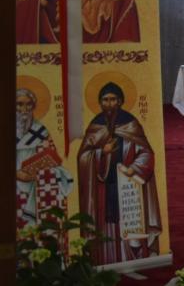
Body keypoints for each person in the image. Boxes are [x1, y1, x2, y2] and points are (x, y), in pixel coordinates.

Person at [77, 82, 161, 265]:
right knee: (106, 224)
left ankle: (133, 261)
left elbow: (146, 152)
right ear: (100, 102)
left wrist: (135, 168)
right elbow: (83, 157)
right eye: (105, 100)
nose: (109, 104)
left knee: (129, 223)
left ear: (121, 101)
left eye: (113, 99)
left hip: (128, 186)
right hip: (102, 189)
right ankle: (105, 261)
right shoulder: (95, 126)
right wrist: (102, 152)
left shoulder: (130, 124)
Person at [15, 88, 74, 232]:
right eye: (20, 104)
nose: (24, 109)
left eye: (29, 104)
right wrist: (16, 174)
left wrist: (42, 171)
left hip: (37, 186)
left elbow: (53, 159)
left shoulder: (40, 130)